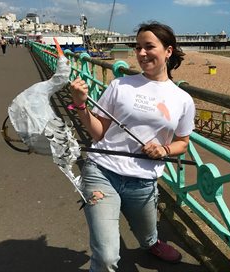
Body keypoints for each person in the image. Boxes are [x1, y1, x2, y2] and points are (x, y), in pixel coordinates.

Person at [69, 21, 195, 271]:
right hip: (102, 172)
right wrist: (81, 106)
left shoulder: (182, 99)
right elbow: (98, 133)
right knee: (105, 256)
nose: (141, 53)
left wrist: (164, 150)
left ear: (168, 51)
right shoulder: (120, 85)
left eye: (149, 46)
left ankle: (151, 243)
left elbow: (183, 143)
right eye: (137, 47)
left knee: (147, 233)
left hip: (143, 179)